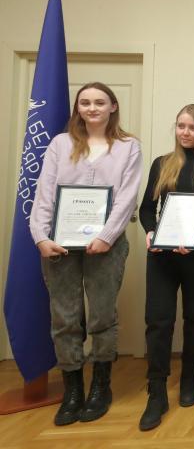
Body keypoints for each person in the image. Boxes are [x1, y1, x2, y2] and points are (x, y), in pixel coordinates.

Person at [29, 82, 142, 426]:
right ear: (78, 108)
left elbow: (127, 197)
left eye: (99, 102)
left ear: (112, 107)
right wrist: (40, 237)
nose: (92, 108)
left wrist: (106, 236)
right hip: (59, 245)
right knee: (65, 318)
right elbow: (44, 194)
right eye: (85, 102)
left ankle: (100, 388)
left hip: (106, 247)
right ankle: (73, 391)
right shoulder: (60, 144)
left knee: (102, 316)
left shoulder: (128, 147)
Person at [137, 104, 194, 430]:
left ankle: (189, 377)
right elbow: (147, 209)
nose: (185, 132)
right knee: (158, 320)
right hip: (163, 255)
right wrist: (150, 232)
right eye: (180, 126)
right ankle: (156, 390)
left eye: (192, 127)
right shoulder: (162, 164)